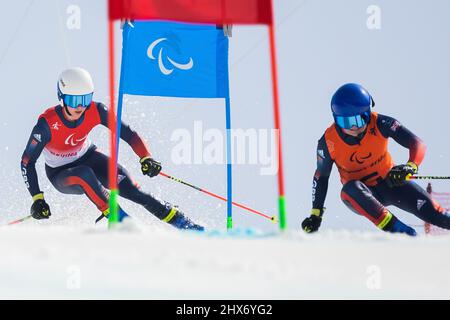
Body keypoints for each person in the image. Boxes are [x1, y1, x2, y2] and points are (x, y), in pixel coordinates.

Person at [20, 67, 203, 231]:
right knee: (84, 174)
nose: (80, 107)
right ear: (62, 97)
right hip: (61, 173)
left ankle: (185, 224)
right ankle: (119, 220)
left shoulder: (96, 110)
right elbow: (27, 162)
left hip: (90, 157)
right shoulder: (46, 124)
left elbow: (129, 133)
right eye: (74, 100)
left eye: (85, 99)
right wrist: (37, 198)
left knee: (135, 192)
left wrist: (146, 157)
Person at [302, 83, 450, 236]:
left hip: (392, 183)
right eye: (345, 122)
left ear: (367, 113)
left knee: (440, 216)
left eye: (359, 120)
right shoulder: (328, 142)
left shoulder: (381, 123)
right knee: (349, 189)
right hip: (361, 196)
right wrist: (316, 214)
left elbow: (417, 143)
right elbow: (321, 177)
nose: (353, 127)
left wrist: (411, 166)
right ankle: (406, 234)